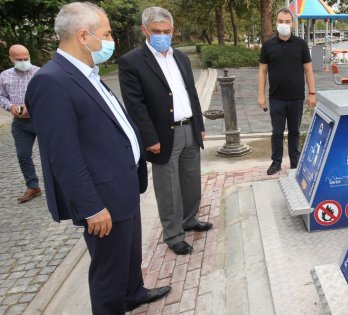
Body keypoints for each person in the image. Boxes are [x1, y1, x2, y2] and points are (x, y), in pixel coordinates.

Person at [24, 2, 170, 313]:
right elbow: (62, 156)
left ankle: (133, 293)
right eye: (105, 33)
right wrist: (91, 208)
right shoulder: (52, 81)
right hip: (102, 199)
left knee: (129, 255)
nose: (109, 40)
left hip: (123, 185)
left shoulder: (86, 72)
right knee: (108, 273)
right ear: (82, 35)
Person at [118, 6, 211, 256]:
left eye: (167, 31)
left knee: (191, 180)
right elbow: (135, 105)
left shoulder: (180, 57)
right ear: (144, 30)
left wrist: (199, 126)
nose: (162, 35)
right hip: (162, 136)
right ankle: (173, 235)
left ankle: (190, 219)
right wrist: (149, 138)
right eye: (156, 31)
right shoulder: (131, 62)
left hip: (189, 127)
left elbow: (191, 93)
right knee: (168, 188)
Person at [258, 7, 317, 176]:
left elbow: (308, 70)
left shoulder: (301, 44)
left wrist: (312, 93)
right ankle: (276, 162)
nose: (284, 25)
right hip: (276, 98)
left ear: (292, 24)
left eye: (287, 22)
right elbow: (262, 71)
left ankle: (294, 162)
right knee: (276, 132)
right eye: (280, 21)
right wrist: (261, 95)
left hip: (296, 98)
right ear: (276, 23)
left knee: (294, 132)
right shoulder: (268, 46)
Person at [0, 44, 42, 203]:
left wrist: (32, 108)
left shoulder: (39, 73)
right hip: (20, 124)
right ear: (11, 59)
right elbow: (1, 96)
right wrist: (9, 106)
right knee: (23, 155)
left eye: (26, 58)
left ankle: (61, 185)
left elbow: (47, 95)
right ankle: (33, 186)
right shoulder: (4, 76)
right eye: (19, 59)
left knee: (51, 154)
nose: (24, 62)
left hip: (40, 120)